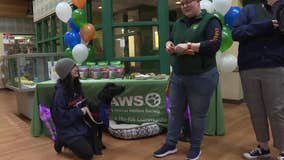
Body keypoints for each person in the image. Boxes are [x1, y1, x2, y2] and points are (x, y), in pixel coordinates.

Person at [153, 0, 222, 159]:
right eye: (181, 3)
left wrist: (190, 46)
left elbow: (214, 44)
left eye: (188, 2)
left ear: (198, 2)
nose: (184, 6)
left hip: (202, 76)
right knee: (175, 112)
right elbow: (170, 39)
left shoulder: (211, 21)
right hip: (178, 76)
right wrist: (168, 44)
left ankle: (195, 147)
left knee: (198, 115)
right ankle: (170, 144)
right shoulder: (178, 23)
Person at [232, 0, 284, 160]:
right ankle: (263, 148)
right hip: (249, 67)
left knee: (277, 110)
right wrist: (266, 26)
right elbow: (236, 33)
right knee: (256, 111)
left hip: (275, 66)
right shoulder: (248, 10)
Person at [52, 58, 94, 160]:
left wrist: (89, 105)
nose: (77, 68)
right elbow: (61, 118)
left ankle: (66, 140)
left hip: (78, 125)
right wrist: (80, 111)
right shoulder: (60, 93)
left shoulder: (76, 85)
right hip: (67, 129)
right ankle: (61, 138)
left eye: (75, 66)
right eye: (73, 67)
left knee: (96, 146)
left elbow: (82, 101)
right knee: (88, 155)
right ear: (65, 72)